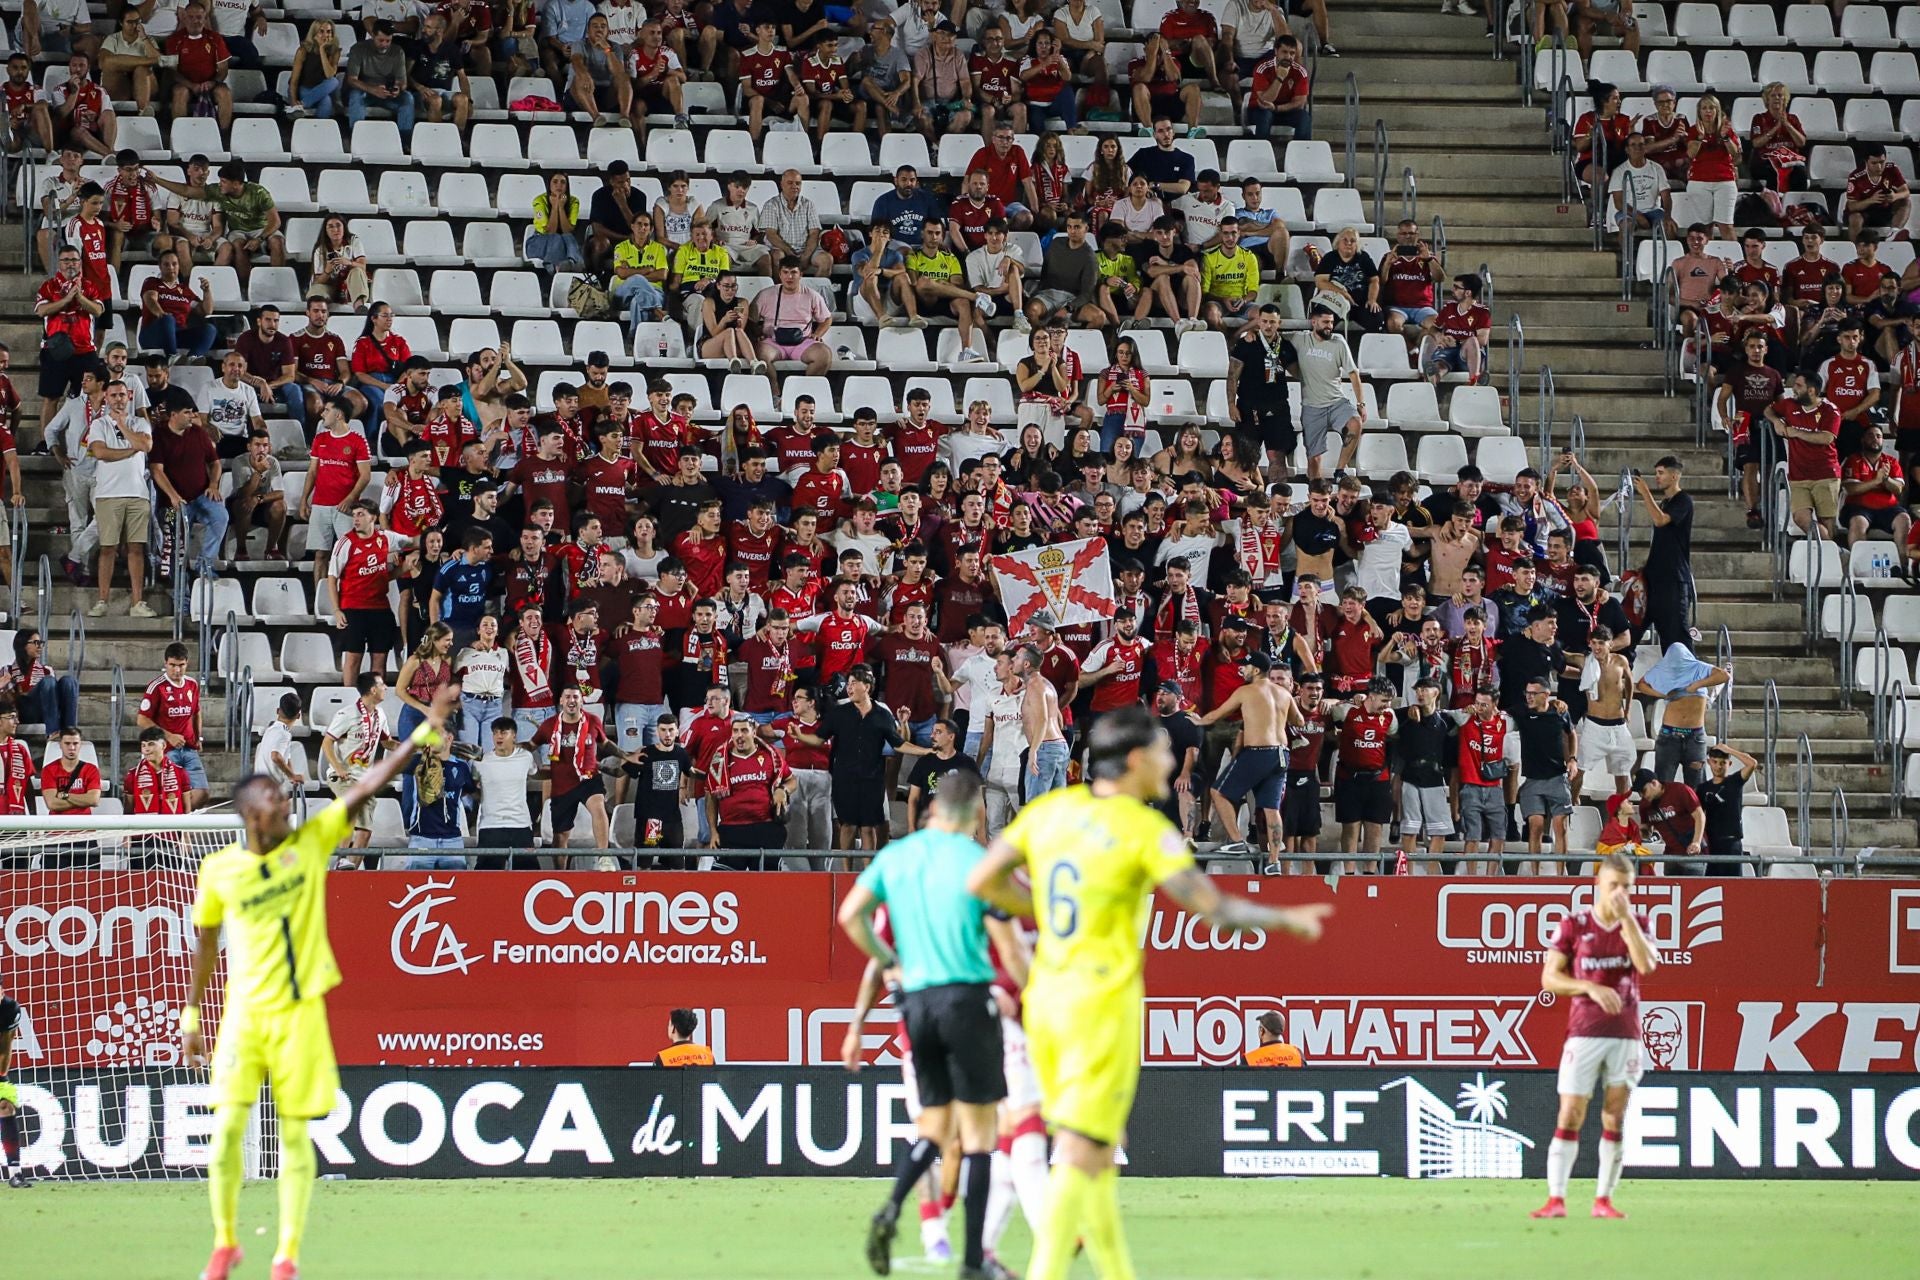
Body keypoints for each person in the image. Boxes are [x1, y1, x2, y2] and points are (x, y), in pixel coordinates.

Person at [968, 706, 1330, 1280]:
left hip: (1047, 1002)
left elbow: (982, 881)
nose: (1174, 760)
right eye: (1164, 750)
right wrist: (1287, 920)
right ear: (1136, 761)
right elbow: (1215, 908)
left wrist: (1038, 910)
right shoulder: (1142, 829)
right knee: (1085, 1153)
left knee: (1095, 1157)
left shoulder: (1051, 812)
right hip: (1100, 1007)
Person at [184, 684, 460, 1280]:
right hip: (242, 1015)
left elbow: (364, 784)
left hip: (300, 1013)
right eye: (274, 808)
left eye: (285, 804)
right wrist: (191, 1015)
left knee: (293, 1131)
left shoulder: (308, 846)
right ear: (249, 817)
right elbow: (207, 943)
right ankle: (225, 1243)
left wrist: (416, 733)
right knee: (227, 1128)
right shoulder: (221, 869)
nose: (285, 811)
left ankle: (286, 1254)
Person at [840, 770, 1010, 1280]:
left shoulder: (896, 857)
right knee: (980, 1138)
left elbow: (851, 917)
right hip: (966, 998)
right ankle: (974, 1262)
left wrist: (890, 959)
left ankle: (890, 1207)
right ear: (978, 813)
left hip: (915, 1008)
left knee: (934, 1131)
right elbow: (1007, 941)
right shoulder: (978, 862)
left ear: (930, 809)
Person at [1531, 852, 1657, 1222]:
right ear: (1598, 885)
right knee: (1571, 1113)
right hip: (1584, 1032)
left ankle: (1604, 1200)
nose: (1620, 893)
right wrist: (1588, 986)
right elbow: (1549, 978)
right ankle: (1556, 1199)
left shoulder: (1639, 922)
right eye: (1613, 885)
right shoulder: (1574, 924)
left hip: (1625, 1034)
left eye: (1627, 887)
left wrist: (1627, 923)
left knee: (1614, 1117)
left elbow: (1647, 965)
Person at [1190, 650, 1298, 868]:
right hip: (1282, 755)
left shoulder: (1245, 691)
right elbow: (1300, 720)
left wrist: (1197, 721)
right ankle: (1274, 861)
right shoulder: (1283, 693)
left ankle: (1238, 841)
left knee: (1217, 792)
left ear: (1256, 670)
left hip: (1258, 752)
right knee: (1271, 809)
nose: (1242, 669)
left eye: (1246, 666)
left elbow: (1216, 715)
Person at [705, 712, 795, 862]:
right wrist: (713, 831)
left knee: (766, 883)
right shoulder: (719, 760)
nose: (739, 735)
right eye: (735, 731)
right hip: (731, 830)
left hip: (765, 828)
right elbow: (711, 797)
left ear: (754, 732)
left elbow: (792, 780)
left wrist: (783, 790)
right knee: (727, 883)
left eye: (744, 730)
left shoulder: (771, 756)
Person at [1635, 455, 1693, 651]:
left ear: (1675, 475)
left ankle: (1689, 678)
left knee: (1676, 637)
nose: (1657, 477)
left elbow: (1661, 520)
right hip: (1655, 577)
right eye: (1656, 473)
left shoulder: (1683, 500)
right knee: (1633, 629)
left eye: (1661, 473)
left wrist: (1645, 493)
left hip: (1673, 579)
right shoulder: (1664, 503)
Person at [472, 718, 539, 867]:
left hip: (520, 825)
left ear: (514, 735)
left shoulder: (525, 757)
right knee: (485, 878)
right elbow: (474, 789)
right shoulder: (481, 762)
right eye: (495, 733)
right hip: (490, 826)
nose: (499, 737)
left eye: (503, 732)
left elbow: (535, 773)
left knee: (528, 875)